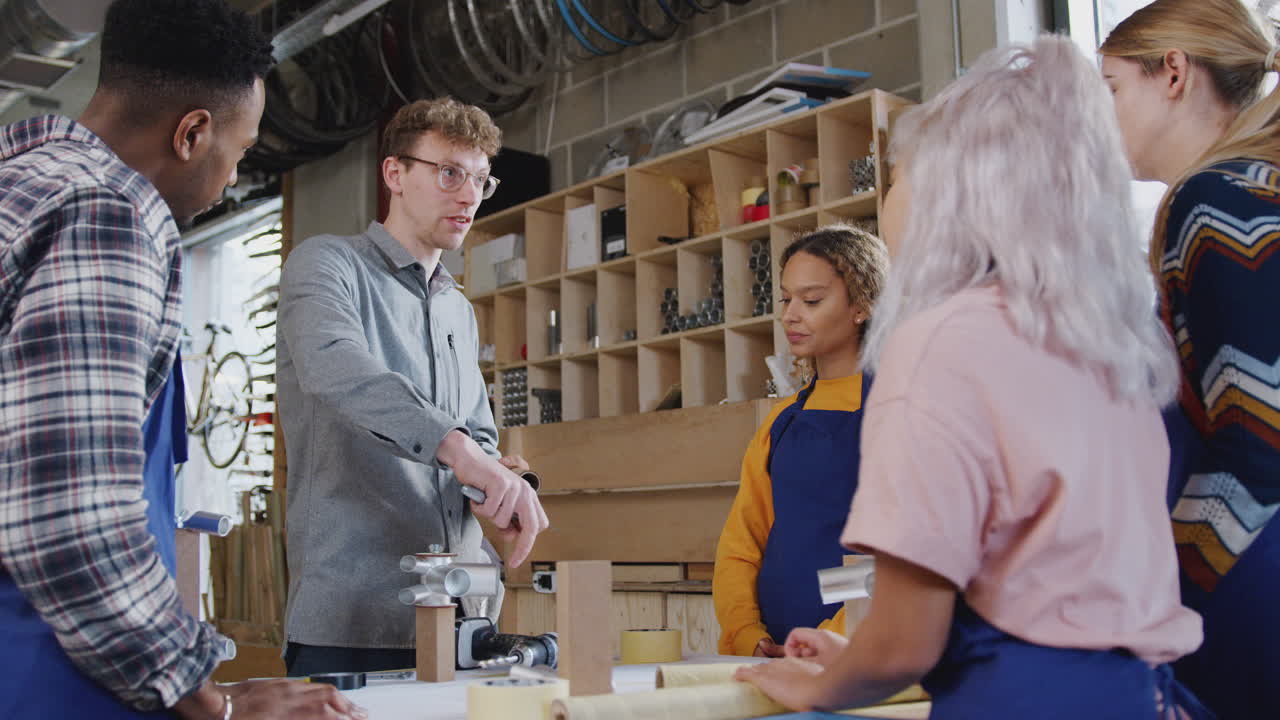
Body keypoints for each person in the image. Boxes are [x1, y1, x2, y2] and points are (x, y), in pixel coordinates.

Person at [734, 35, 1209, 718]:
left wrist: (824, 688)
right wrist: (861, 662)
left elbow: (904, 641)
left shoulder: (938, 345)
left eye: (897, 182)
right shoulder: (1110, 342)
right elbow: (1041, 586)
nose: (891, 201)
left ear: (950, 198)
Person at [0, 1, 362, 718]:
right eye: (242, 150)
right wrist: (210, 703)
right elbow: (72, 520)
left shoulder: (26, 187)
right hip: (43, 679)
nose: (233, 175)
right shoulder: (107, 215)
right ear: (193, 132)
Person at [277, 97, 550, 676]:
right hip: (353, 619)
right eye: (449, 172)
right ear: (394, 173)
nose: (469, 194)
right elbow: (336, 365)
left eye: (480, 179)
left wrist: (502, 488)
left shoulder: (457, 309)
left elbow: (478, 432)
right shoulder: (328, 265)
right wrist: (463, 452)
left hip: (462, 619)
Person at [1101, 1, 1280, 716]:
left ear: (1172, 73)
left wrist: (1165, 587)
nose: (1102, 115)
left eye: (1111, 88)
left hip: (1249, 576)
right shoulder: (1251, 190)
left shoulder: (1213, 201)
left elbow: (1260, 433)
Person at [713, 225, 888, 658]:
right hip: (771, 649)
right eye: (786, 299)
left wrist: (831, 641)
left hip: (859, 649)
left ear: (862, 306)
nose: (791, 315)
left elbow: (900, 557)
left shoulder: (898, 411)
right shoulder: (782, 419)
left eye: (811, 300)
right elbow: (742, 543)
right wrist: (746, 633)